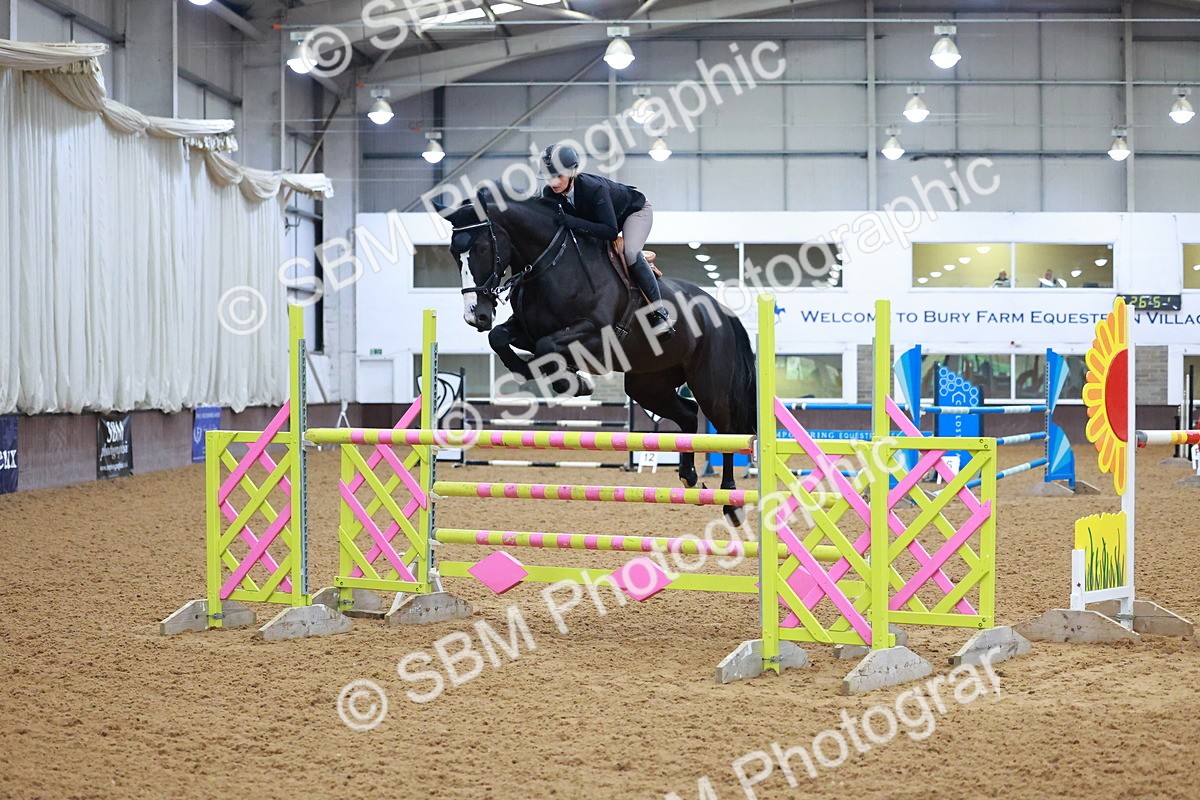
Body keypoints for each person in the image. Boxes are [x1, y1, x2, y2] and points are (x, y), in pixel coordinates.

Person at [539, 143, 672, 336]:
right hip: (601, 221)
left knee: (630, 253)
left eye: (558, 176)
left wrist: (572, 221)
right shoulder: (550, 194)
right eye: (549, 177)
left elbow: (610, 232)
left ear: (572, 172)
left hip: (633, 212)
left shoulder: (594, 189)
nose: (554, 182)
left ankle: (660, 312)